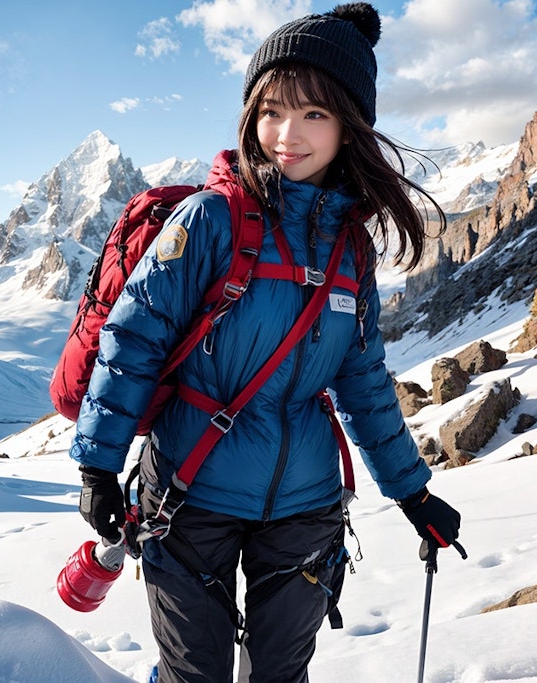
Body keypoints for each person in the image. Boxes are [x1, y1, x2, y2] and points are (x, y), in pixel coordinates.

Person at [69, 4, 464, 682]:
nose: (287, 133)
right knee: (195, 672)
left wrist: (412, 491)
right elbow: (132, 337)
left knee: (281, 673)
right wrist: (99, 467)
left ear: (349, 126)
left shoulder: (350, 249)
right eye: (272, 110)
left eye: (314, 114)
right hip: (192, 495)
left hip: (306, 507)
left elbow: (362, 380)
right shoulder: (211, 219)